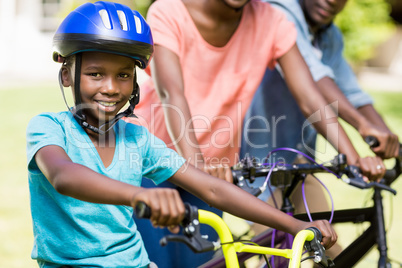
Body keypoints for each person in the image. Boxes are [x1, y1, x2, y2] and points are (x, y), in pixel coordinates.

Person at [26, 2, 338, 267]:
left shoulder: (138, 140)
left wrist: (295, 224)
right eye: (96, 74)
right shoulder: (49, 128)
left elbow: (213, 190)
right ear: (66, 74)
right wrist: (139, 194)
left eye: (123, 75)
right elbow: (64, 177)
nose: (110, 87)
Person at [127, 0, 387, 267]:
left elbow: (310, 98)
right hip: (152, 164)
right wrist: (197, 167)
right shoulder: (170, 11)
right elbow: (172, 93)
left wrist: (354, 158)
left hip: (214, 172)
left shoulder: (271, 21)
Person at [240, 0, 400, 259]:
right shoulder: (279, 12)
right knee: (279, 255)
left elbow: (353, 93)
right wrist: (361, 134)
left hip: (298, 164)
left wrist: (389, 138)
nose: (332, 1)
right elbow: (313, 81)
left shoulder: (329, 35)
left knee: (330, 253)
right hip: (255, 164)